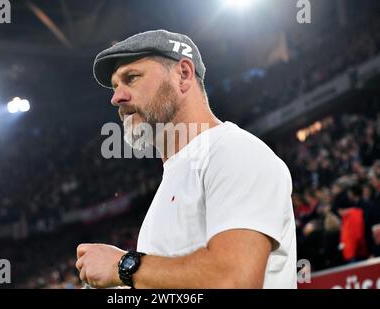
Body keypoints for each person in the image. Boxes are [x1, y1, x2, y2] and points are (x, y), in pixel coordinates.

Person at [76, 29, 297, 289]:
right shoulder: (173, 179)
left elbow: (235, 281)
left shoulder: (234, 151)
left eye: (131, 78)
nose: (116, 97)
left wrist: (122, 266)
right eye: (115, 86)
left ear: (183, 75)